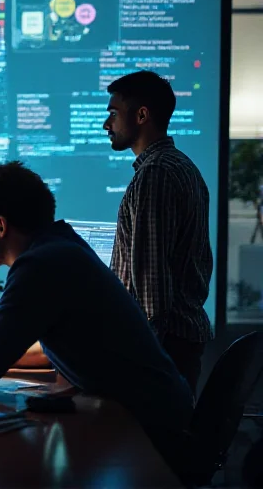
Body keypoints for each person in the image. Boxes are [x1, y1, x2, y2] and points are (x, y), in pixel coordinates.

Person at [0, 161, 193, 471]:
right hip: (152, 414)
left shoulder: (40, 266)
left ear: (0, 226)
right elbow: (41, 353)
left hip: (149, 434)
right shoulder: (61, 247)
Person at [103, 70, 213, 395]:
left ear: (141, 115)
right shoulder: (182, 166)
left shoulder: (156, 174)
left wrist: (142, 358)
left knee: (146, 444)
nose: (106, 125)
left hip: (163, 351)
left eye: (113, 114)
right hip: (176, 346)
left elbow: (152, 286)